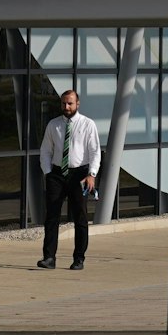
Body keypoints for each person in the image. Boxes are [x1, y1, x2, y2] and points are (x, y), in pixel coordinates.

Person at [38, 88, 100, 270]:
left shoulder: (88, 124)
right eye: (64, 103)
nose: (66, 106)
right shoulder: (53, 125)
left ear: (77, 104)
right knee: (51, 217)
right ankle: (49, 258)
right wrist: (48, 173)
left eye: (70, 103)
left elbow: (95, 152)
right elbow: (45, 151)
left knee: (80, 217)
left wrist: (92, 174)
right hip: (57, 175)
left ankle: (79, 258)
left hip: (80, 175)